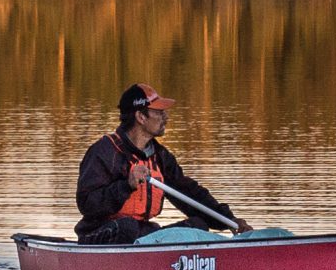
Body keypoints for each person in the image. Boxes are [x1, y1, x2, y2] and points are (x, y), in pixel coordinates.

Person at [74, 84, 248, 243]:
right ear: (141, 116)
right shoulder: (104, 152)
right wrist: (126, 186)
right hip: (101, 234)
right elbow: (87, 205)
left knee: (197, 225)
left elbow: (190, 194)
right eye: (159, 112)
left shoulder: (161, 156)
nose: (166, 117)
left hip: (141, 235)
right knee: (127, 226)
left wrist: (228, 220)